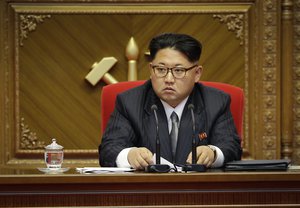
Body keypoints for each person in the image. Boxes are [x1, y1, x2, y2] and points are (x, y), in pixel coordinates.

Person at [99, 33, 242, 170]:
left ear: (197, 73)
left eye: (178, 71)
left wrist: (213, 153)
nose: (168, 79)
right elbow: (109, 149)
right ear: (151, 70)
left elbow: (231, 146)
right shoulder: (129, 102)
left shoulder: (216, 102)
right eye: (161, 69)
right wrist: (129, 155)